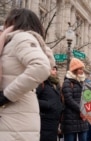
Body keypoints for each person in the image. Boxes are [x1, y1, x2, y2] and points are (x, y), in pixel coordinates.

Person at [0, 8, 54, 141]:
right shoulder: (14, 41)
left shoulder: (21, 37)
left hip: (14, 119)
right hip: (15, 118)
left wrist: (6, 95)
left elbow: (40, 67)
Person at [61, 57, 89, 141]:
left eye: (82, 69)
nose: (82, 71)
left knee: (84, 138)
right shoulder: (67, 82)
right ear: (74, 70)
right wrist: (81, 109)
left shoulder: (83, 81)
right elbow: (68, 99)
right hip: (70, 119)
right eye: (79, 69)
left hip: (82, 118)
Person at [36, 66, 64, 141]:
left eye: (56, 69)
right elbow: (33, 100)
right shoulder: (42, 83)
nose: (55, 71)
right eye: (53, 69)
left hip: (54, 122)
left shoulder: (56, 84)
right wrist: (47, 104)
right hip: (44, 122)